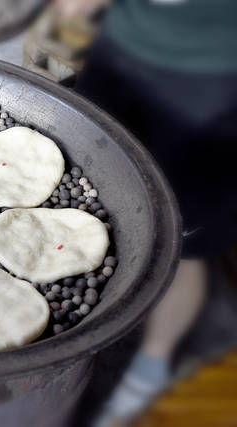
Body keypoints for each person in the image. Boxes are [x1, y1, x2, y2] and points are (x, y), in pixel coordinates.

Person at [55, 0, 237, 425]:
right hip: (123, 45)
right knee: (89, 185)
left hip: (217, 74)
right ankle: (76, 324)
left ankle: (150, 368)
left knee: (185, 241)